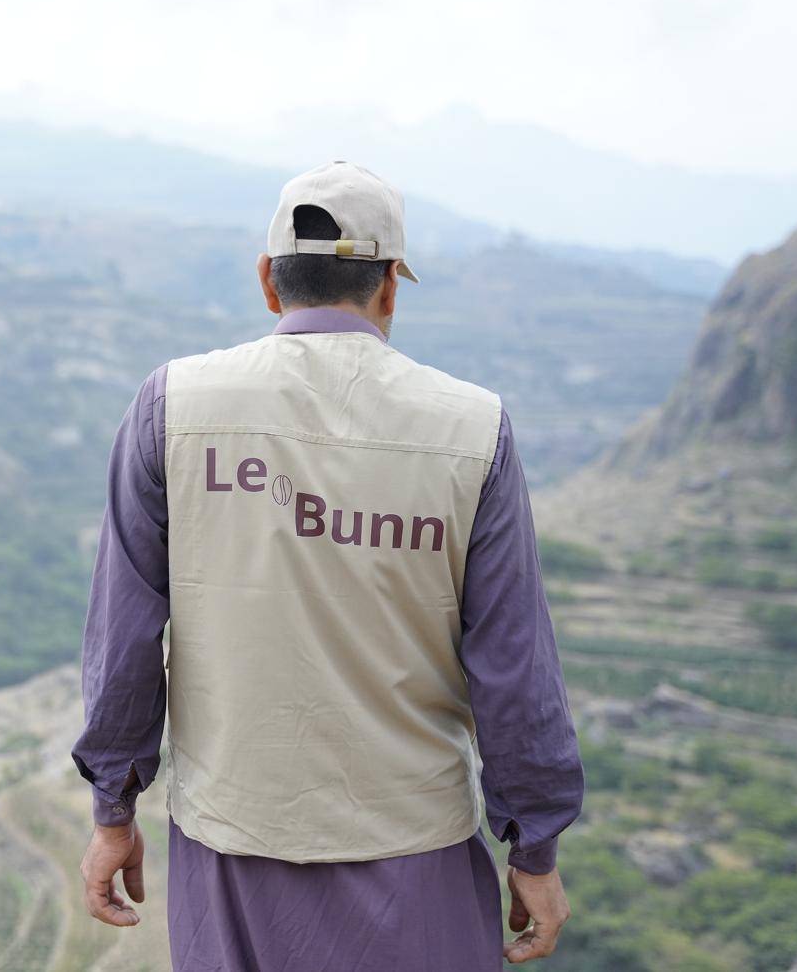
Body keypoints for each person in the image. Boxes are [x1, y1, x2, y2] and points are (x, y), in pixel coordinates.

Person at [71, 161, 585, 970]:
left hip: (231, 845)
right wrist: (535, 849)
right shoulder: (473, 428)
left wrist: (113, 811)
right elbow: (514, 664)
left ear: (270, 284)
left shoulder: (172, 407)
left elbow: (125, 636)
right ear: (388, 289)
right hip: (415, 848)